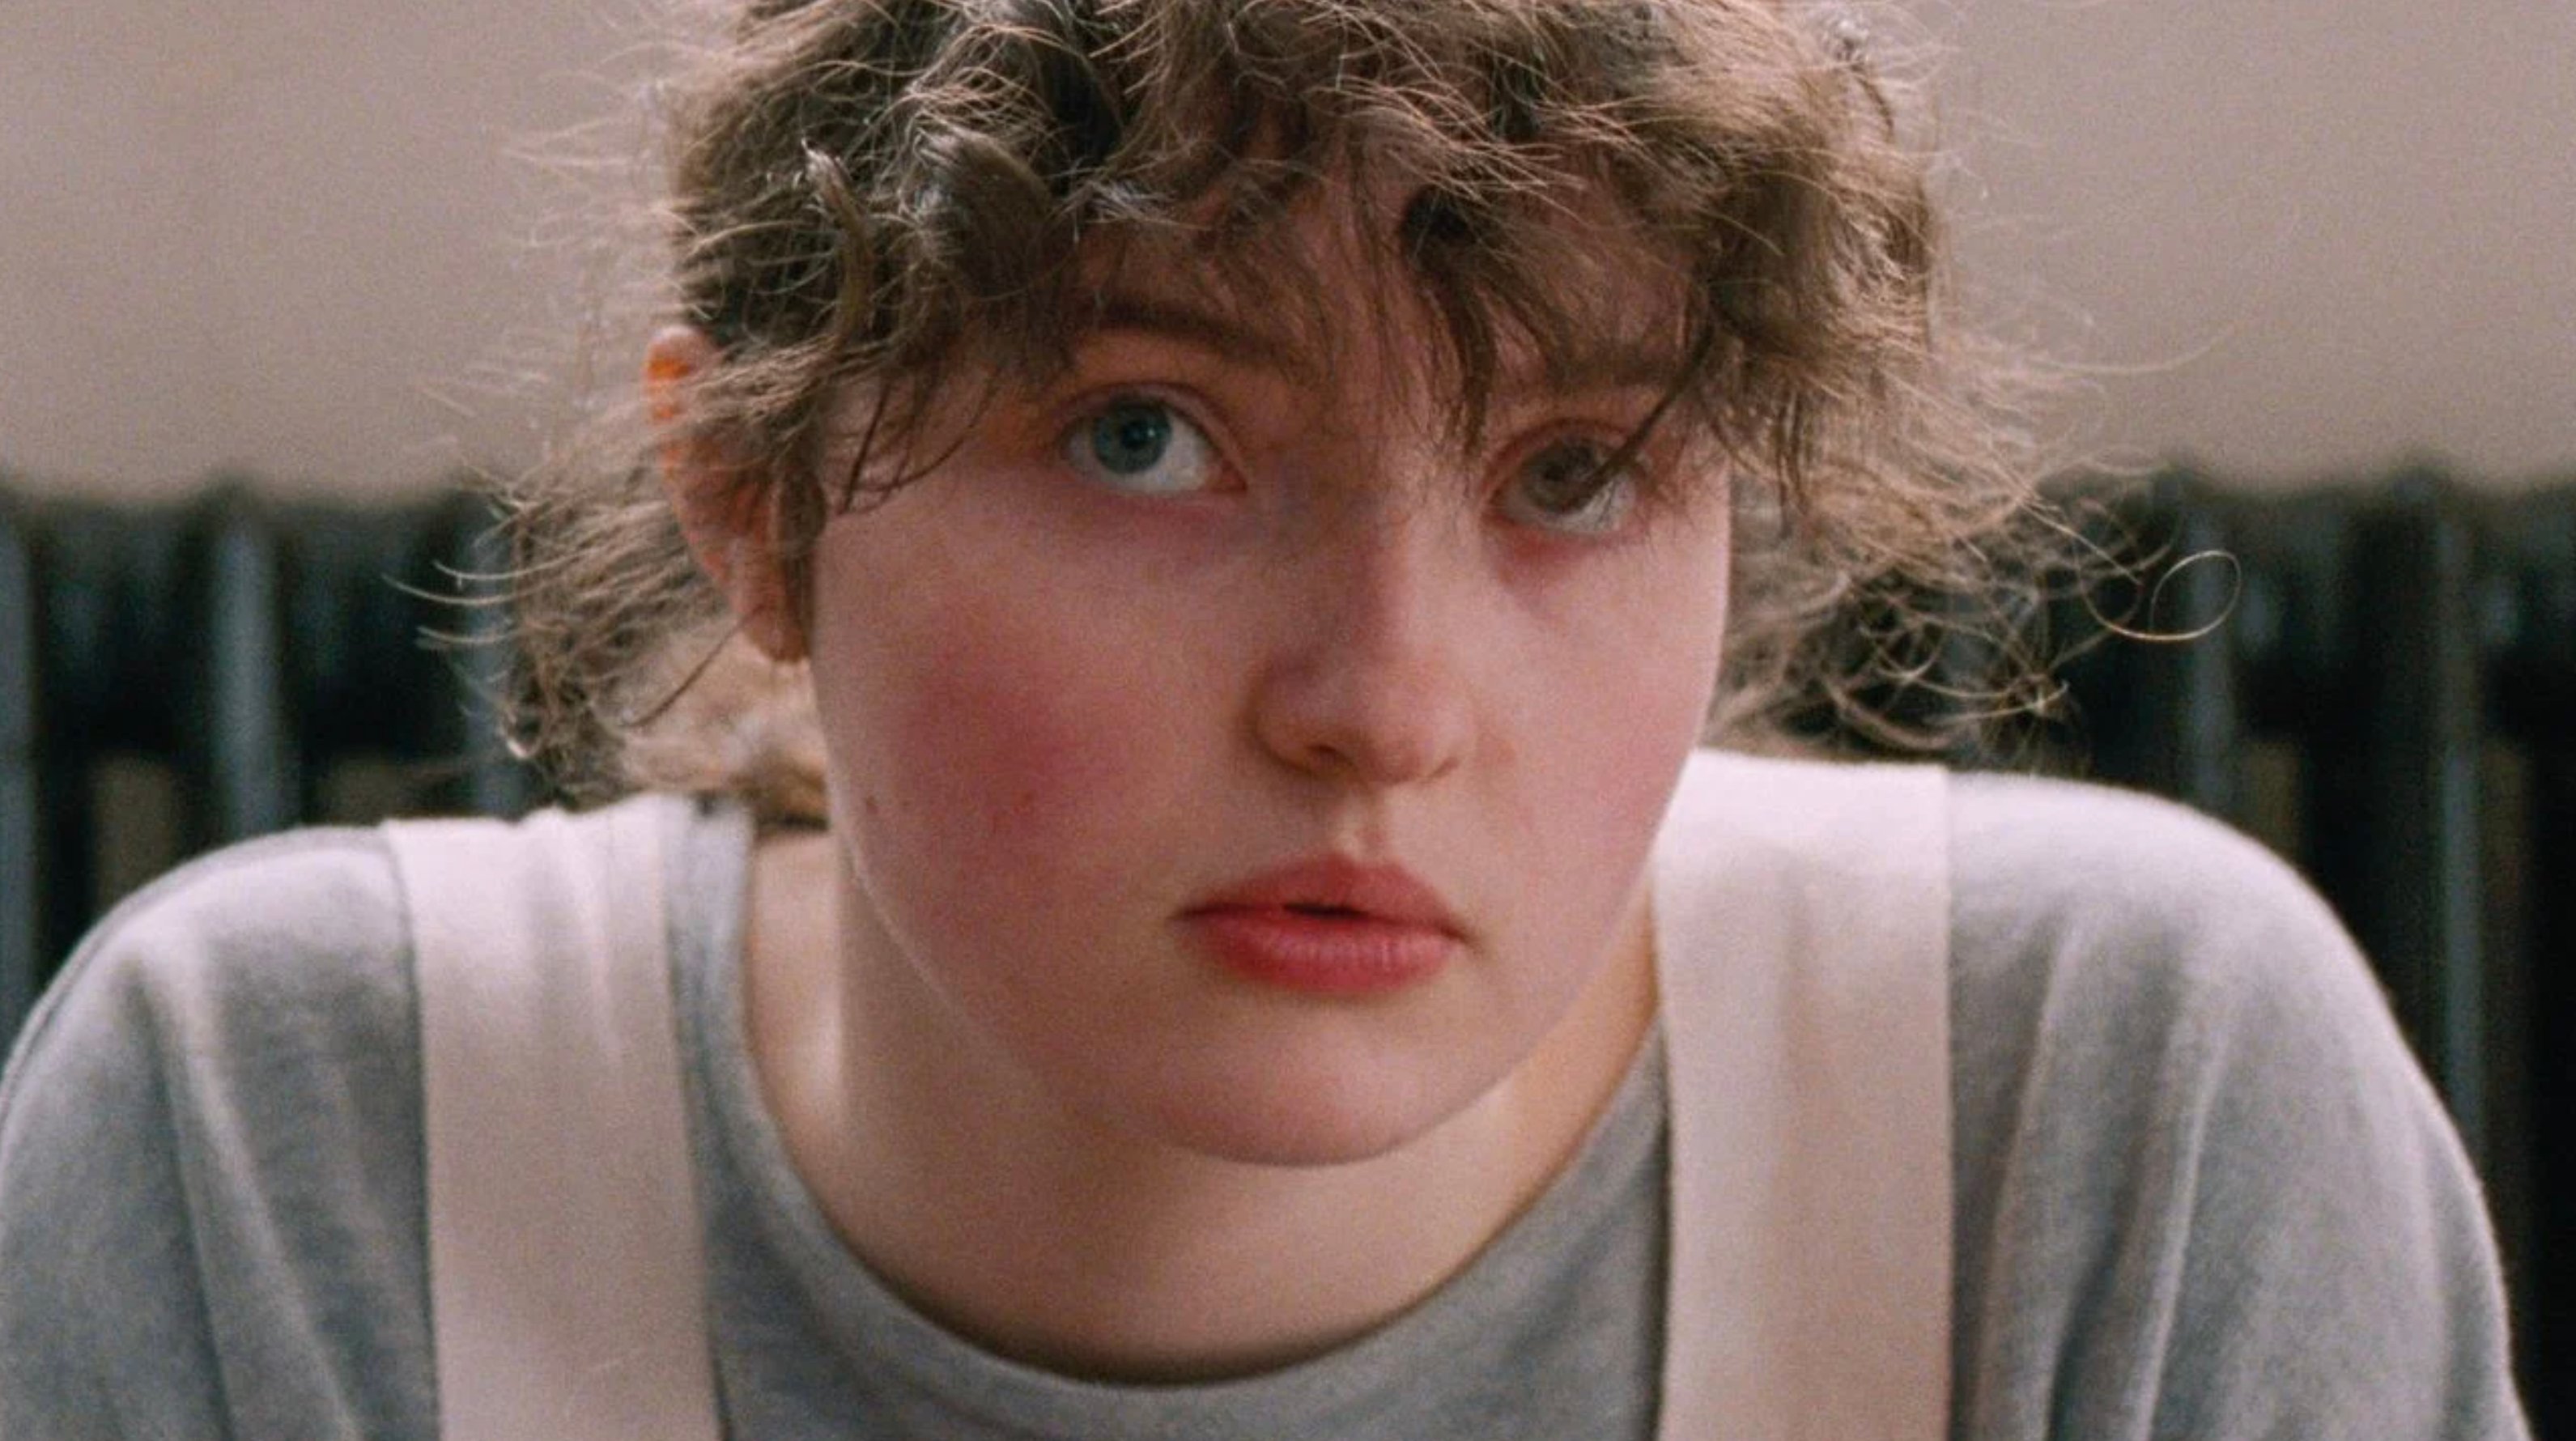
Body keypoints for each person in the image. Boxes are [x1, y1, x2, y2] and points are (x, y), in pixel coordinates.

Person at [0, 0, 2531, 1435]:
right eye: (1146, 434)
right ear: (753, 501)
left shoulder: (2118, 1116)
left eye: (1574, 474)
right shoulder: (280, 1143)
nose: (1387, 707)